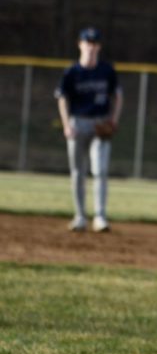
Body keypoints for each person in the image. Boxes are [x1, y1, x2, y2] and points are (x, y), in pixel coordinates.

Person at [55, 26, 123, 233]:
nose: (91, 47)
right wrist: (66, 125)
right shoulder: (72, 72)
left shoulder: (107, 70)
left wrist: (114, 119)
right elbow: (62, 98)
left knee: (100, 171)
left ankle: (100, 217)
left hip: (100, 123)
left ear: (99, 47)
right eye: (88, 43)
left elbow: (118, 96)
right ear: (80, 45)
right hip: (78, 123)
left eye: (94, 44)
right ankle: (80, 217)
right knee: (78, 172)